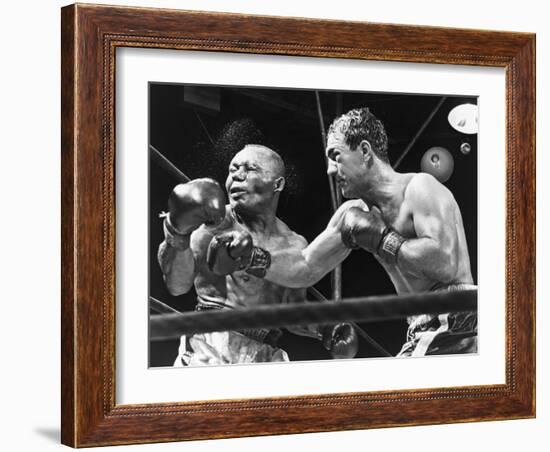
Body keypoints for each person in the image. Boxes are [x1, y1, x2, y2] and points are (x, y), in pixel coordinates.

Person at [212, 108, 477, 357]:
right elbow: (305, 266)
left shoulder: (420, 187)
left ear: (364, 150)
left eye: (335, 157)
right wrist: (251, 257)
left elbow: (444, 264)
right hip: (421, 329)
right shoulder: (352, 212)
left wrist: (383, 238)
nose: (329, 170)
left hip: (458, 321)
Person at [157, 144, 358, 366]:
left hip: (265, 351)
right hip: (211, 341)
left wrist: (323, 328)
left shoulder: (294, 243)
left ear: (277, 184)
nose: (237, 177)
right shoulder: (213, 224)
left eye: (249, 169)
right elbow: (177, 286)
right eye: (233, 170)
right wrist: (176, 232)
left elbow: (291, 311)